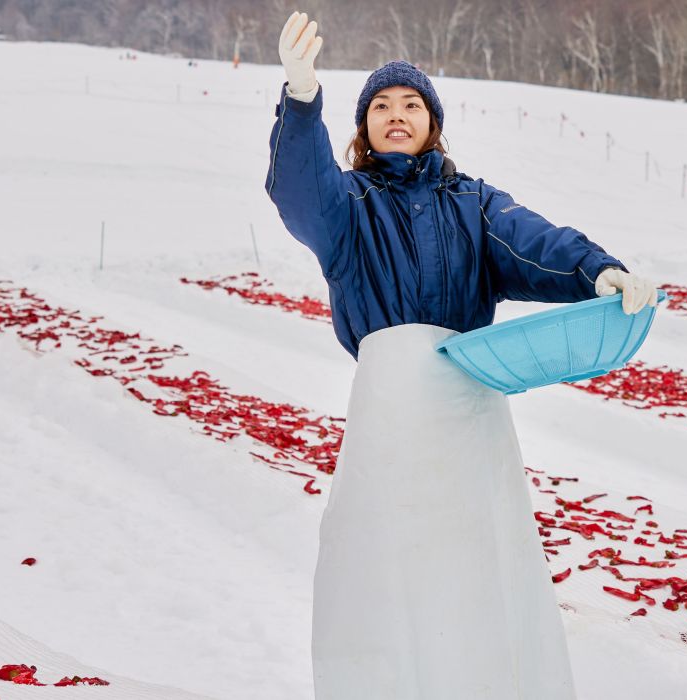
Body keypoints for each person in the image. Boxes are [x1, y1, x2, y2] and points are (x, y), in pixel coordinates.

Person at [266, 11, 657, 699]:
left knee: (478, 564)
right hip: (388, 406)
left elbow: (533, 243)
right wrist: (301, 104)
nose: (395, 114)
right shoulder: (348, 205)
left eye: (410, 104)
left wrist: (599, 271)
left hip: (466, 404)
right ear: (364, 126)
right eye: (381, 106)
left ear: (432, 121)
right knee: (386, 566)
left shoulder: (473, 203)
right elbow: (300, 195)